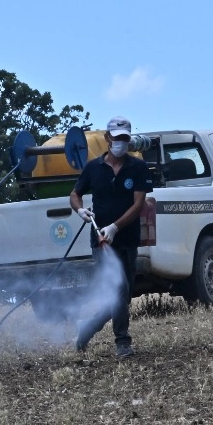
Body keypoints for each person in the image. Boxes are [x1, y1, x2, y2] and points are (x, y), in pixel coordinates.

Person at [70, 116, 152, 357]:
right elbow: (74, 194)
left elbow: (139, 204)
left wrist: (115, 227)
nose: (121, 143)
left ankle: (89, 326)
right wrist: (80, 209)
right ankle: (122, 342)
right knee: (119, 288)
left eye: (125, 139)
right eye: (116, 139)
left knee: (123, 296)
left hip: (126, 239)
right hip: (101, 242)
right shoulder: (93, 168)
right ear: (107, 139)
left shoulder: (137, 168)